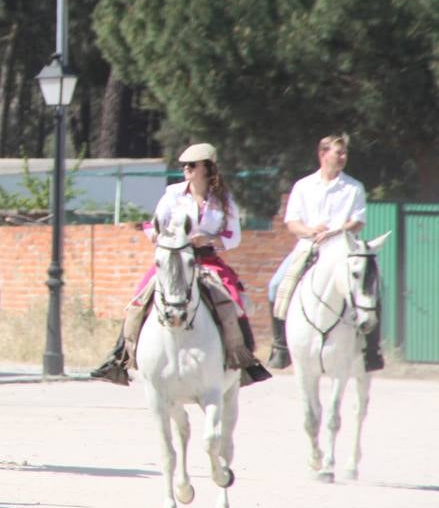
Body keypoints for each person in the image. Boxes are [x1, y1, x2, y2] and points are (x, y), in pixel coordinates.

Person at [91, 143, 271, 386]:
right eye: (184, 165)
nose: (186, 168)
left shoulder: (224, 199)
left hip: (207, 259)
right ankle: (119, 358)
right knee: (138, 300)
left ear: (207, 168)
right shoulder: (173, 193)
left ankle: (244, 360)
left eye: (192, 165)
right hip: (174, 259)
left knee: (234, 302)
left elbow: (234, 236)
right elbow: (154, 224)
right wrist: (155, 234)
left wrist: (209, 239)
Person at [267, 134, 376, 371]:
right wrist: (309, 230)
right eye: (339, 153)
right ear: (322, 154)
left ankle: (371, 351)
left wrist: (335, 231)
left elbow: (357, 222)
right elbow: (292, 222)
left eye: (345, 153)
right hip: (308, 246)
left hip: (344, 250)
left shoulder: (354, 187)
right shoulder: (303, 186)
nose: (343, 157)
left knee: (376, 287)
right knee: (276, 286)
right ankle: (281, 347)